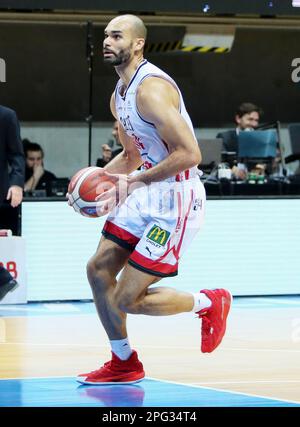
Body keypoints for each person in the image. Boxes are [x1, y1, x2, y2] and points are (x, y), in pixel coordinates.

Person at [70, 14, 232, 385]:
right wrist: (96, 180)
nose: (108, 41)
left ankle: (209, 302)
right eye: (106, 36)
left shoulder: (151, 90)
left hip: (176, 199)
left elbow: (190, 153)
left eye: (117, 35)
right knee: (97, 270)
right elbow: (130, 155)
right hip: (145, 191)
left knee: (128, 298)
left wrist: (133, 183)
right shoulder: (119, 97)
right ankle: (124, 362)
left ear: (139, 43)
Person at [0, 104, 24, 301]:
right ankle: (3, 279)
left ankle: (3, 279)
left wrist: (16, 184)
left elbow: (16, 154)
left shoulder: (6, 116)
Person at [217, 103, 263, 180]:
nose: (254, 124)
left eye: (256, 120)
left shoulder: (259, 140)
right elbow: (220, 161)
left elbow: (262, 163)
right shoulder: (225, 137)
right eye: (250, 119)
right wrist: (233, 169)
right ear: (238, 119)